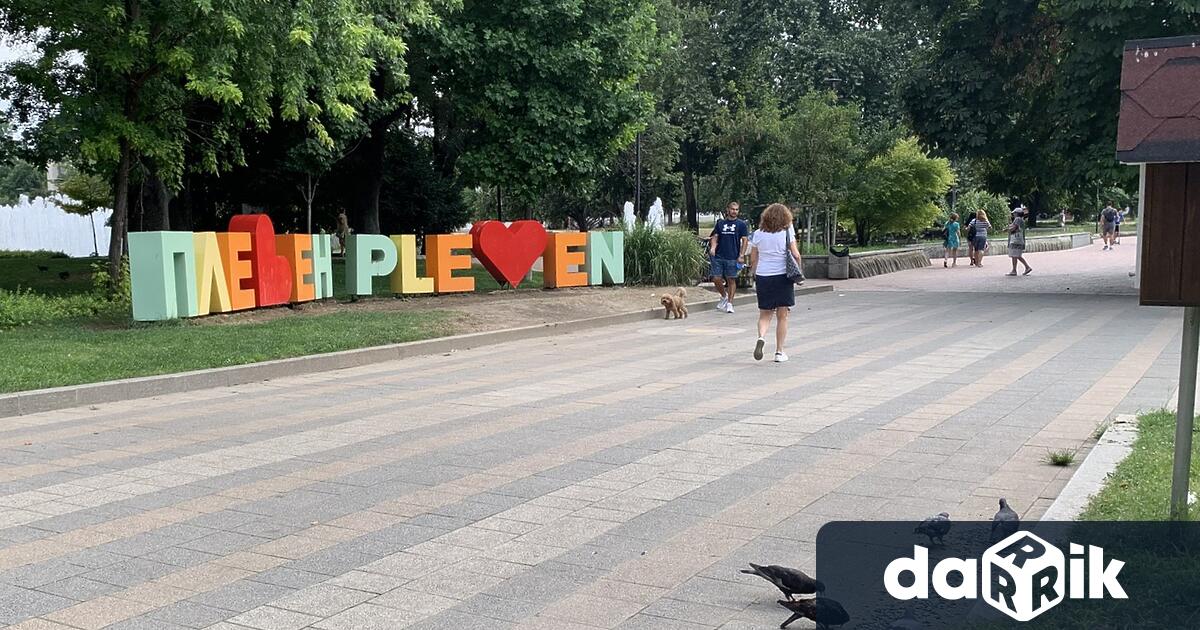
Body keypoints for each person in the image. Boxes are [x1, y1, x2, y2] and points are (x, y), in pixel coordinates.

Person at [749, 203, 802, 363]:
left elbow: (753, 258)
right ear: (786, 217)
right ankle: (779, 352)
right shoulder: (787, 231)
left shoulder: (757, 234)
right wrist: (798, 271)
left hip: (763, 276)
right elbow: (795, 254)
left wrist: (754, 273)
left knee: (765, 314)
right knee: (782, 315)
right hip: (782, 276)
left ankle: (761, 337)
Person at [709, 202, 750, 314]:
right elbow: (715, 236)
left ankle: (730, 303)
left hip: (733, 256)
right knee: (716, 278)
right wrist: (713, 247)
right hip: (719, 255)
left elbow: (745, 240)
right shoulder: (720, 223)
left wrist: (741, 255)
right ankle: (723, 296)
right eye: (732, 209)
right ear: (728, 210)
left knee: (731, 279)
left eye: (736, 209)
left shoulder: (741, 224)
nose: (734, 211)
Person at [1006, 207, 1033, 276]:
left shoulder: (1017, 219)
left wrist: (1007, 229)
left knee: (1015, 255)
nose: (1013, 214)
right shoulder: (1020, 220)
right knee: (1016, 255)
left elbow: (1015, 227)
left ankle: (1025, 267)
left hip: (1016, 240)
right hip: (1018, 240)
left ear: (1017, 213)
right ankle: (1016, 269)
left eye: (1014, 213)